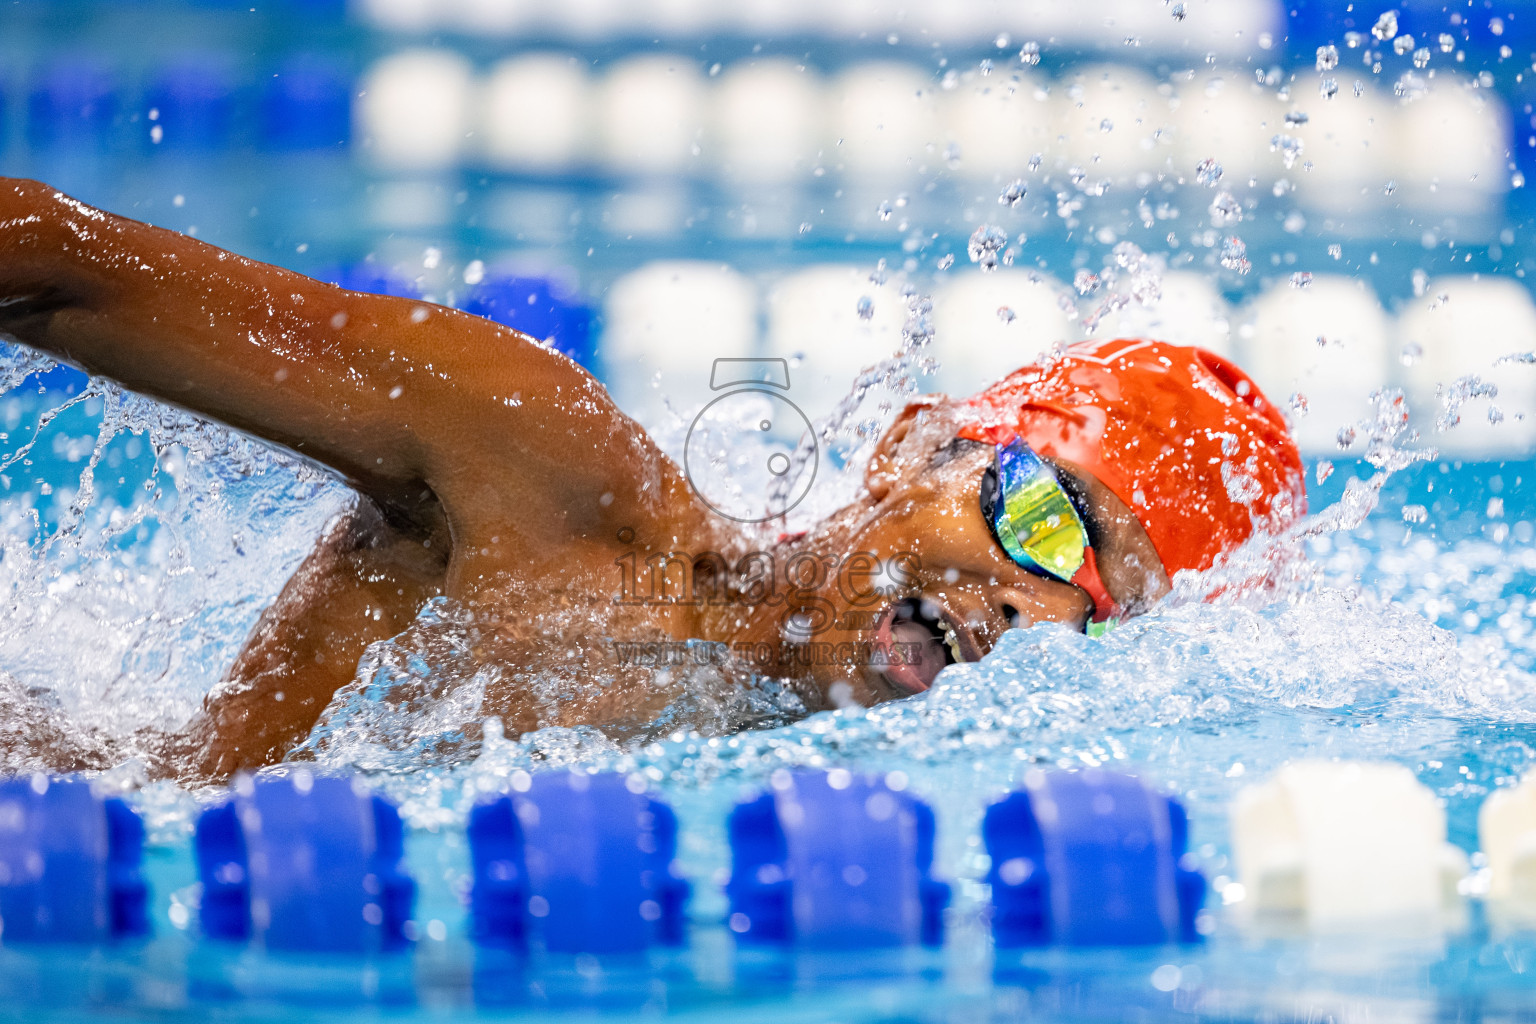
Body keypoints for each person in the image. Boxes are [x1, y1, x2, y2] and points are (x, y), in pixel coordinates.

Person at [0, 179, 1306, 779]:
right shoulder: (544, 477)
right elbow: (52, 263)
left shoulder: (867, 812)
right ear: (913, 448)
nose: (1035, 604)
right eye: (1042, 517)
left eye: (1102, 608)